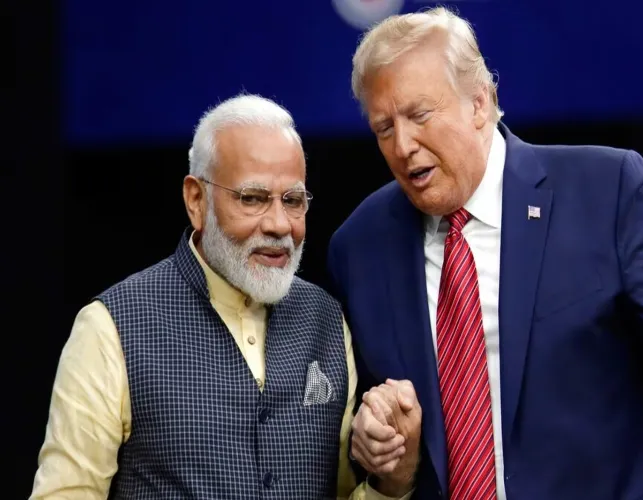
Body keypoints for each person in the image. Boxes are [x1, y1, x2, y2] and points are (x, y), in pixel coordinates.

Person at [326, 7, 643, 500]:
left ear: (479, 102)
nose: (402, 145)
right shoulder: (360, 247)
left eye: (420, 115)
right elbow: (377, 441)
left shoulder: (607, 193)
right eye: (383, 128)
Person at [31, 94, 407, 499]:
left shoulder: (327, 320)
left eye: (293, 201)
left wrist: (393, 480)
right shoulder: (112, 327)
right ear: (197, 200)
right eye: (253, 198)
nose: (279, 224)